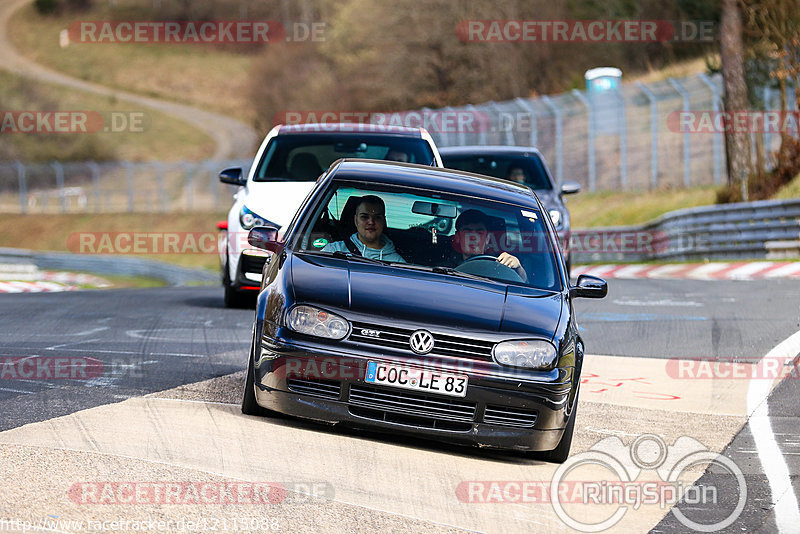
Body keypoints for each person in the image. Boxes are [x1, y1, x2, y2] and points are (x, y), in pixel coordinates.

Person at [322, 195, 406, 262]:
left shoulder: (397, 263)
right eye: (364, 217)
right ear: (355, 220)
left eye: (377, 217)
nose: (371, 222)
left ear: (383, 221)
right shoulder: (333, 251)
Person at [453, 209, 526, 281]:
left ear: (487, 239)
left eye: (479, 233)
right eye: (467, 232)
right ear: (457, 237)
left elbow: (524, 285)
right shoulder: (445, 266)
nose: (473, 237)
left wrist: (518, 268)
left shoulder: (501, 265)